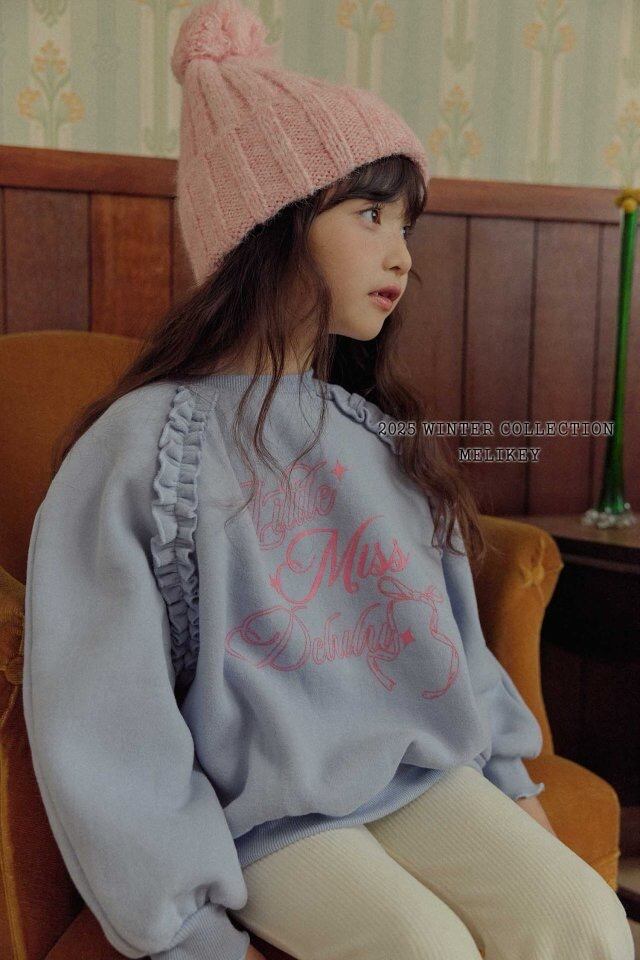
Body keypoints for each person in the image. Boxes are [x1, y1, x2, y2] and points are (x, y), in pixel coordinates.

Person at [22, 2, 634, 959]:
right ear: (270, 225)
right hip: (264, 816)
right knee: (421, 948)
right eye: (369, 213)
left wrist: (512, 789)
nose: (401, 254)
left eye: (407, 224)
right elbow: (105, 716)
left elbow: (451, 647)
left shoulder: (374, 439)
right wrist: (180, 921)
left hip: (420, 779)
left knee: (588, 919)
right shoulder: (140, 450)